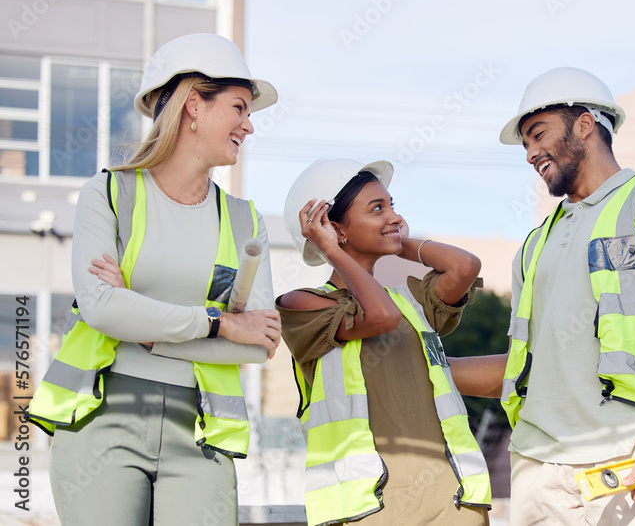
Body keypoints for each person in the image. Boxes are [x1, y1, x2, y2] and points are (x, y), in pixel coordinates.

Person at [26, 33, 282, 524]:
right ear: (193, 105)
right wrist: (219, 324)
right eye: (239, 108)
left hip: (201, 431)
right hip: (103, 420)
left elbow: (258, 343)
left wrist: (147, 330)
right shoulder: (108, 194)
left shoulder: (247, 221)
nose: (248, 126)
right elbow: (102, 307)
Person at [449, 67, 635, 525]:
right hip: (536, 466)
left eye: (538, 134)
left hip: (627, 460)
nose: (531, 153)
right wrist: (422, 368)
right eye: (526, 144)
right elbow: (525, 366)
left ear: (586, 125)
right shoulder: (535, 245)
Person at [276, 159, 491, 526]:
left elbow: (465, 267)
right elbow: (380, 318)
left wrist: (394, 239)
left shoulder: (410, 302)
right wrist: (333, 250)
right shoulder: (304, 305)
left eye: (393, 205)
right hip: (370, 505)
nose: (394, 216)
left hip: (452, 498)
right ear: (334, 228)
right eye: (378, 209)